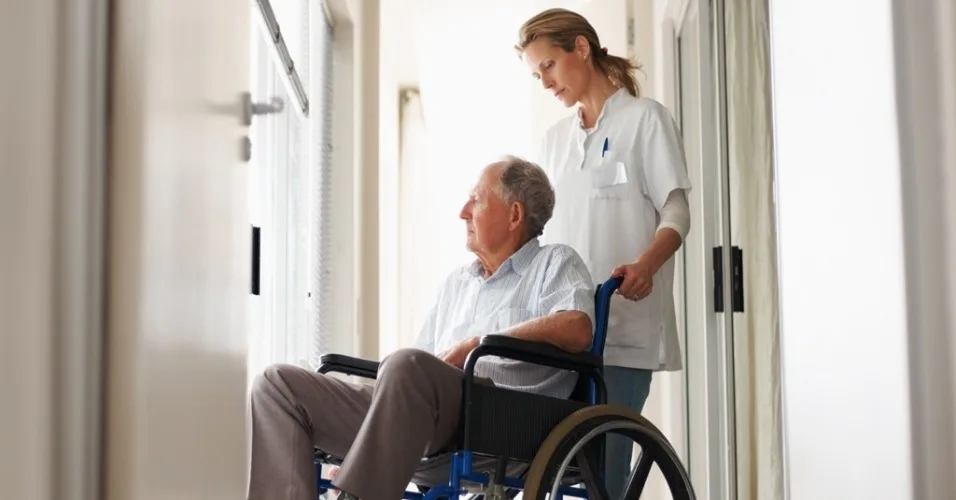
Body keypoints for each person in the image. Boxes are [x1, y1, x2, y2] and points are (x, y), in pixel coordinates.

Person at [246, 156, 597, 500]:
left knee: (408, 365)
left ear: (514, 214)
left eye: (476, 199)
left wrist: (477, 343)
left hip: (498, 417)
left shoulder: (554, 262)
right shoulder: (457, 283)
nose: (463, 211)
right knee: (276, 385)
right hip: (423, 413)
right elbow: (416, 369)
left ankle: (357, 494)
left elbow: (577, 327)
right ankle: (358, 472)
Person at [515, 8, 693, 498]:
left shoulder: (645, 120)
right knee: (550, 471)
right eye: (536, 74)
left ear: (580, 48)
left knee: (604, 476)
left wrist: (646, 266)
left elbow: (676, 213)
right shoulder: (553, 143)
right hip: (563, 331)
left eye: (548, 66)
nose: (545, 82)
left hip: (623, 325)